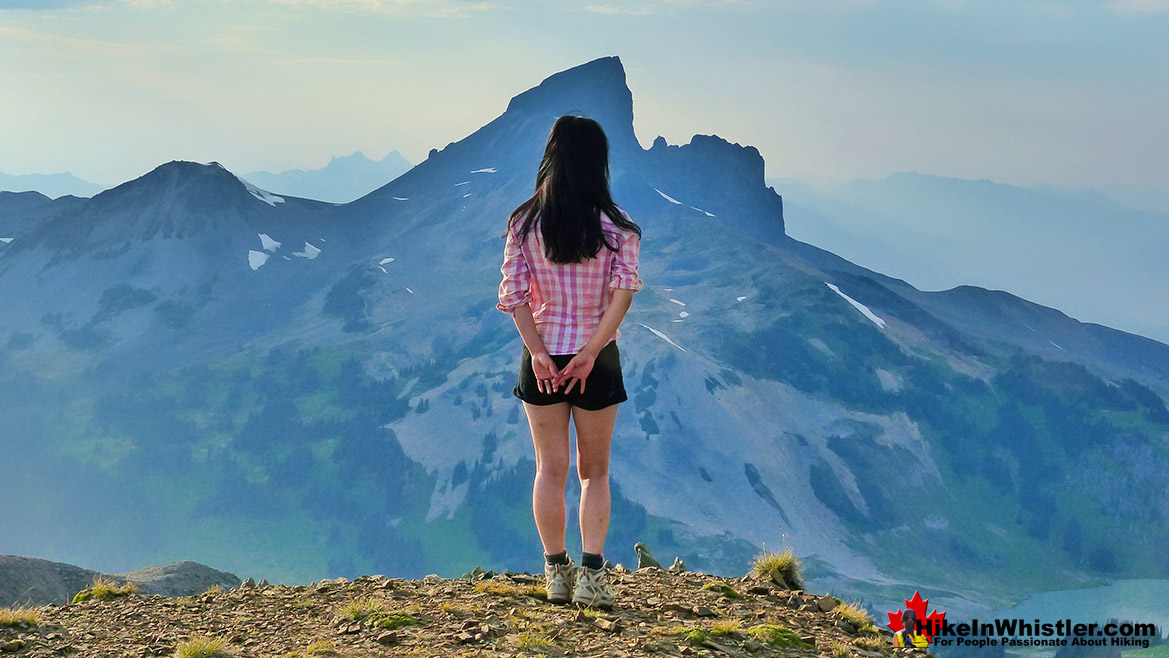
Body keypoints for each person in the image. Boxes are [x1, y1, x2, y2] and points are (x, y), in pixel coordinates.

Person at [496, 115, 643, 609]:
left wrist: (539, 352)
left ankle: (555, 573)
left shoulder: (524, 223)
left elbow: (513, 295)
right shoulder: (619, 228)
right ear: (597, 163)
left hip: (540, 357)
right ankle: (593, 578)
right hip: (596, 358)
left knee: (549, 469)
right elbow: (622, 297)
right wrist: (590, 352)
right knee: (594, 472)